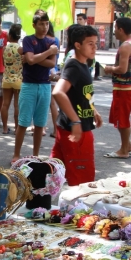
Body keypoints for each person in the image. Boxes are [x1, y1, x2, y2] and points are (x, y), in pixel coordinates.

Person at [51, 25, 103, 186]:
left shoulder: (84, 64)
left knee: (52, 174)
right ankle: (80, 211)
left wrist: (94, 110)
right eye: (90, 43)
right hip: (76, 131)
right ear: (78, 45)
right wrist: (76, 121)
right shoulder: (74, 66)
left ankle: (44, 207)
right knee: (82, 183)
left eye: (95, 43)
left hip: (70, 126)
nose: (94, 47)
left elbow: (83, 93)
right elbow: (58, 92)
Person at [12, 13, 58, 161]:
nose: (44, 27)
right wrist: (47, 53)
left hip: (45, 86)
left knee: (40, 124)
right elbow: (30, 60)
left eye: (46, 23)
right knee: (23, 122)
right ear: (34, 25)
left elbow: (51, 64)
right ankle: (16, 154)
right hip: (28, 85)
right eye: (41, 24)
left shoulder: (52, 41)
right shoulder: (28, 40)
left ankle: (36, 155)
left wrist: (32, 58)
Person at [100, 16, 131, 159]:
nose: (114, 31)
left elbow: (122, 69)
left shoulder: (125, 46)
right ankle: (127, 145)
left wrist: (109, 68)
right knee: (120, 118)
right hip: (128, 86)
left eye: (115, 28)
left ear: (121, 29)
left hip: (124, 88)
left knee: (122, 120)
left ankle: (124, 150)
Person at [0, 23, 23, 135]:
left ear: (10, 35)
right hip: (18, 80)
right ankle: (17, 129)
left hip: (6, 79)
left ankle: (5, 128)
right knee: (17, 105)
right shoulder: (21, 49)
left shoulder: (4, 48)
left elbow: (3, 63)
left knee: (5, 104)